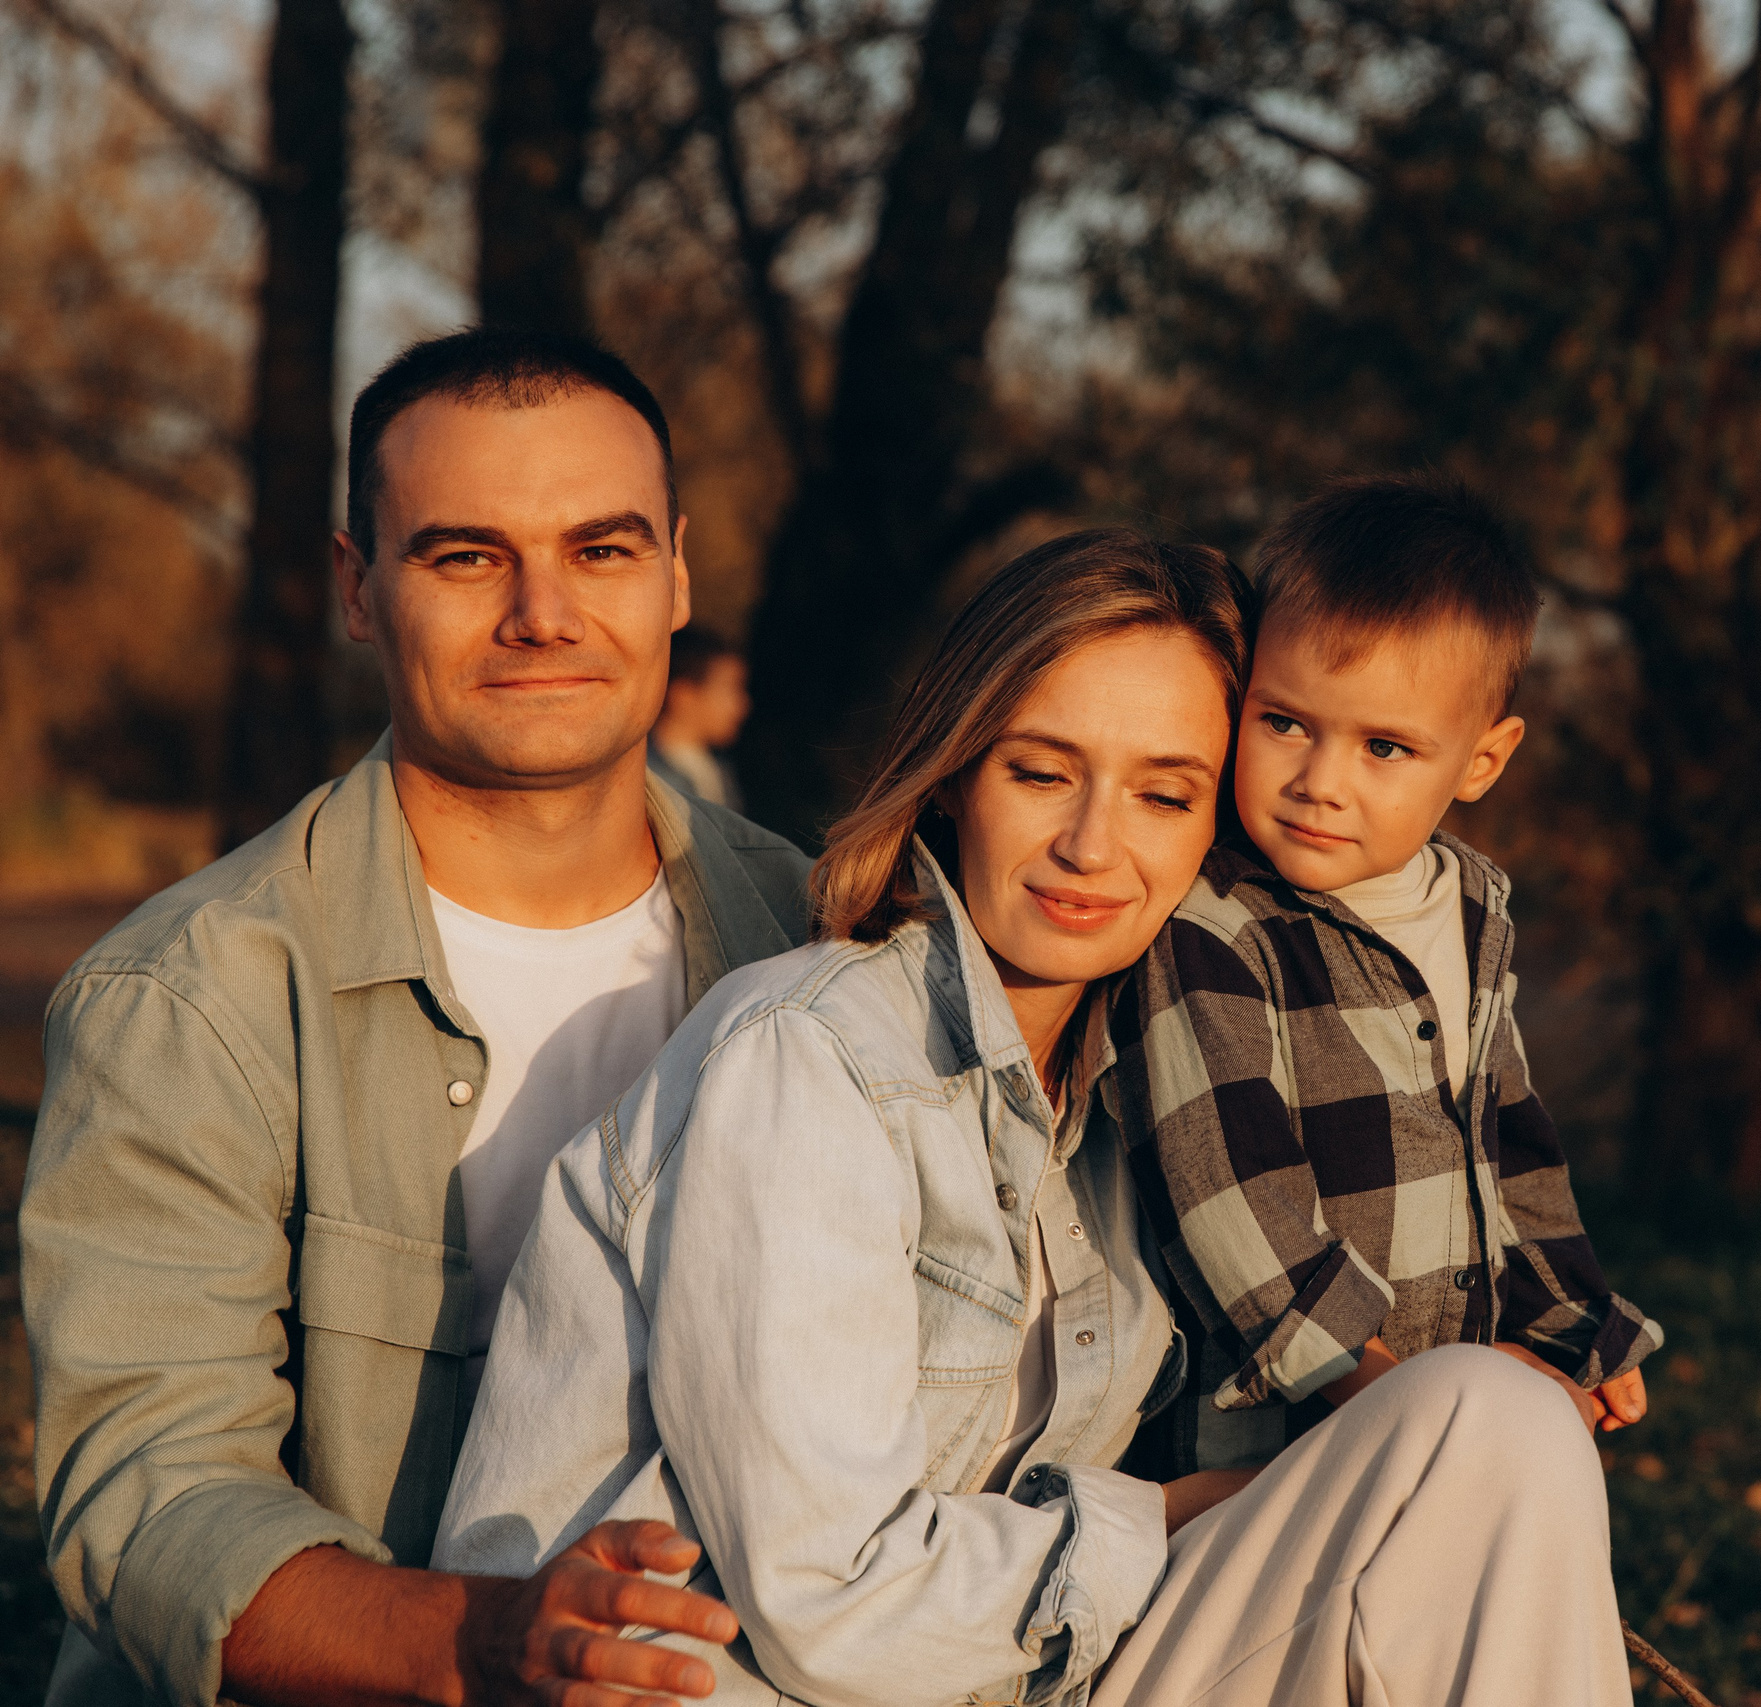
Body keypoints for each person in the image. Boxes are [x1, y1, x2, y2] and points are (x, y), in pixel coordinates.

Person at [435, 528, 1637, 1706]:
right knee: (1453, 1431)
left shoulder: (1142, 1103)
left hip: (1034, 1678)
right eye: (1041, 771)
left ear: (1215, 825)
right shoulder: (809, 1059)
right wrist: (1185, 1515)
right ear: (956, 771)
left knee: (1496, 1419)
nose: (1091, 845)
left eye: (1166, 796)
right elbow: (829, 1606)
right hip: (757, 1684)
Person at [22, 327, 808, 1707]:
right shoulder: (193, 997)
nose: (543, 613)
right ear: (358, 586)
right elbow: (149, 1496)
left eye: (603, 549)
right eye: (466, 555)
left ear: (678, 571)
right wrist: (497, 1638)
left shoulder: (815, 939)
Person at [1114, 475, 1660, 1476]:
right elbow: (1227, 1187)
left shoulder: (1470, 905)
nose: (1321, 781)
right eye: (1284, 723)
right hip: (1277, 1439)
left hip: (1447, 1397)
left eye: (1384, 747)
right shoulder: (1213, 922)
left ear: (1479, 763)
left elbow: (1510, 1148)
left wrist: (1571, 1327)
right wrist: (1380, 1390)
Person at [652, 627, 752, 811]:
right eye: (729, 689)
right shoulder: (648, 781)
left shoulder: (721, 772)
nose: (742, 705)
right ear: (683, 695)